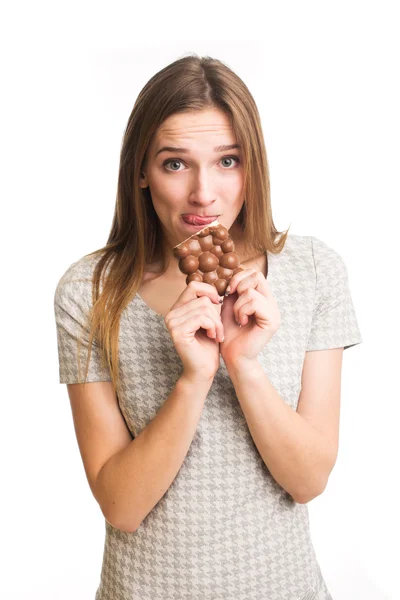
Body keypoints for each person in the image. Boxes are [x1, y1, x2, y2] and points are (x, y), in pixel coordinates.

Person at [53, 54, 363, 600]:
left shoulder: (313, 271)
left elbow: (308, 480)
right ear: (142, 174)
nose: (203, 193)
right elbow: (122, 507)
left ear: (253, 168)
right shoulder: (89, 291)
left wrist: (244, 366)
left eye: (227, 161)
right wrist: (193, 380)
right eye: (175, 164)